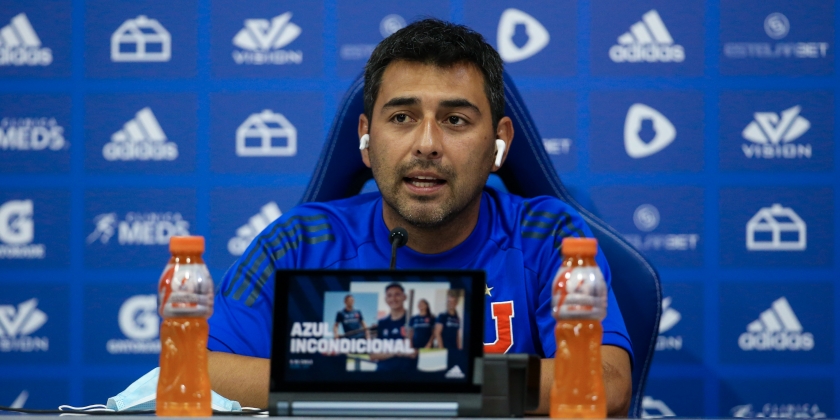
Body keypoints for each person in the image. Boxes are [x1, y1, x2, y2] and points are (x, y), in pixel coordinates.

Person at [207, 18, 632, 416]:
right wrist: (382, 375)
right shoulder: (300, 241)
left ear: (499, 143)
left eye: (454, 120)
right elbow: (200, 371)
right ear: (366, 140)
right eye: (401, 118)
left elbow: (608, 381)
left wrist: (416, 373)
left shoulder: (548, 235)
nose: (427, 144)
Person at [369, 283, 415, 371]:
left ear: (404, 297)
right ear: (386, 299)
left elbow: (415, 353)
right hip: (383, 373)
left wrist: (410, 342)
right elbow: (373, 355)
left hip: (407, 374)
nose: (393, 299)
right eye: (389, 295)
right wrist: (396, 352)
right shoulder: (381, 323)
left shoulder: (414, 321)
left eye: (397, 294)